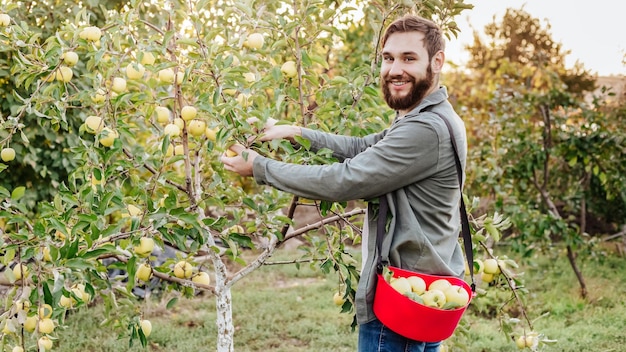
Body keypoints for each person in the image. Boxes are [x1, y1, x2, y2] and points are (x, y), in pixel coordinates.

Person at [221, 14, 466, 352]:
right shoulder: (429, 116)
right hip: (424, 292)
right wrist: (297, 133)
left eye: (409, 58)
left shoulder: (425, 129)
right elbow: (361, 148)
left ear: (437, 62)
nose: (395, 69)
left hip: (403, 299)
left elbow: (344, 180)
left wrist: (260, 168)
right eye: (389, 58)